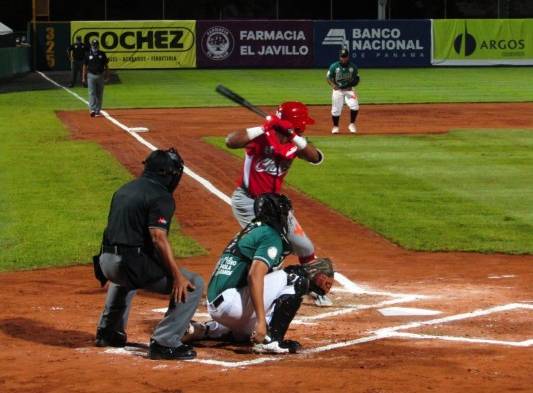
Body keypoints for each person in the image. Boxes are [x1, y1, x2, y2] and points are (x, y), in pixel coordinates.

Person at [183, 193, 334, 354]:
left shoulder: (252, 229)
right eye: (285, 213)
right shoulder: (271, 236)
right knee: (296, 277)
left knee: (244, 334)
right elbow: (254, 275)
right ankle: (272, 340)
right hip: (231, 305)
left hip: (218, 305)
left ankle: (204, 329)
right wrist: (261, 322)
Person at [93, 148, 204, 361]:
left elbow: (110, 230)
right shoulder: (161, 196)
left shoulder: (124, 189)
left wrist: (104, 270)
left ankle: (108, 331)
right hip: (127, 264)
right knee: (192, 284)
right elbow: (158, 238)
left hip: (107, 261)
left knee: (126, 276)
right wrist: (177, 277)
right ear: (166, 173)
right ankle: (165, 342)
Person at [225, 102, 333, 307]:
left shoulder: (296, 143)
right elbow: (230, 141)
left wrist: (292, 136)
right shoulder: (260, 137)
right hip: (248, 202)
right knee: (268, 249)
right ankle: (255, 292)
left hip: (275, 205)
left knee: (305, 246)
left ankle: (314, 288)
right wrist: (264, 128)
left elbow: (316, 157)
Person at [327, 47, 360, 134]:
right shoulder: (334, 66)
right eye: (342, 56)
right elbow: (328, 77)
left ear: (348, 57)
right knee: (336, 109)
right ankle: (335, 127)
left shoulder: (353, 67)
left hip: (349, 90)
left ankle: (352, 124)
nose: (343, 58)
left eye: (345, 56)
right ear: (339, 57)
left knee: (355, 106)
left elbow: (357, 79)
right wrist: (333, 85)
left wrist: (351, 85)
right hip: (338, 90)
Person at [82, 39, 109, 117]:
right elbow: (84, 66)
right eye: (93, 45)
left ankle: (97, 110)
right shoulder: (87, 54)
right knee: (92, 93)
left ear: (98, 45)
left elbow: (106, 66)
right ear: (91, 45)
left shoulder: (102, 54)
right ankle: (92, 110)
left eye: (96, 45)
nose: (95, 46)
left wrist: (107, 76)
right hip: (90, 76)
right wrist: (83, 77)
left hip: (100, 76)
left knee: (99, 94)